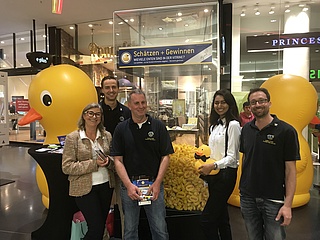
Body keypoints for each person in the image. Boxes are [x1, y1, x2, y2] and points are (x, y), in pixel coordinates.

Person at [111, 89, 174, 240]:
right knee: (130, 230)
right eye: (136, 103)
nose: (140, 106)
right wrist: (128, 185)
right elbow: (117, 160)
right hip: (130, 187)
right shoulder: (121, 129)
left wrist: (158, 183)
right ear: (129, 105)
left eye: (143, 103)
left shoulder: (158, 127)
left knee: (160, 229)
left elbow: (166, 157)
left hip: (154, 186)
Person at [239, 87, 300, 240]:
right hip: (248, 198)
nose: (258, 105)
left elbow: (290, 171)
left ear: (269, 103)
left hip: (274, 199)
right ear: (249, 106)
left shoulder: (286, 131)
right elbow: (245, 158)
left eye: (261, 101)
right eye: (253, 102)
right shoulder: (246, 129)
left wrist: (287, 205)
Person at [62, 103, 115, 240]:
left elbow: (116, 161)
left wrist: (109, 162)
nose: (94, 117)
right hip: (84, 189)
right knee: (96, 229)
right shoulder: (73, 138)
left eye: (98, 114)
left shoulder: (107, 136)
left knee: (101, 227)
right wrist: (93, 164)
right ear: (84, 115)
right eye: (90, 113)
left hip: (105, 186)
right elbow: (67, 167)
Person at [198, 89, 241, 240]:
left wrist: (214, 166)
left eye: (223, 102)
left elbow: (232, 156)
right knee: (222, 218)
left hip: (226, 175)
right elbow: (213, 152)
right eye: (216, 102)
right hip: (213, 175)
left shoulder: (233, 125)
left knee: (207, 220)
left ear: (230, 104)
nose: (219, 106)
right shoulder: (213, 126)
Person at [99, 75, 131, 238]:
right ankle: (103, 235)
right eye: (107, 87)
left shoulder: (126, 111)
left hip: (120, 164)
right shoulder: (95, 111)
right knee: (101, 205)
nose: (111, 91)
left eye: (114, 87)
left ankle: (126, 235)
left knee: (124, 205)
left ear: (118, 89)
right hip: (100, 165)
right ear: (103, 90)